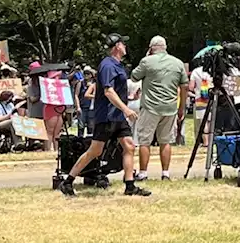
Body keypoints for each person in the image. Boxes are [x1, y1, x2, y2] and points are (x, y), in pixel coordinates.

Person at [59, 34, 150, 197]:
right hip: (107, 116)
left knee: (129, 146)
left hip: (118, 116)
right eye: (123, 43)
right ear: (116, 46)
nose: (125, 46)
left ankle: (130, 186)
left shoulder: (118, 65)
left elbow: (116, 91)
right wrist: (126, 109)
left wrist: (128, 100)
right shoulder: (107, 65)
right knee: (94, 151)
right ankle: (67, 182)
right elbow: (108, 92)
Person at [131, 35, 189, 182]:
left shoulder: (147, 61)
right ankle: (165, 173)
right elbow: (184, 86)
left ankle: (143, 173)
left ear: (151, 48)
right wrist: (181, 107)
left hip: (150, 107)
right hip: (170, 107)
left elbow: (134, 77)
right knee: (165, 141)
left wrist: (145, 58)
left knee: (145, 141)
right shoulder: (178, 63)